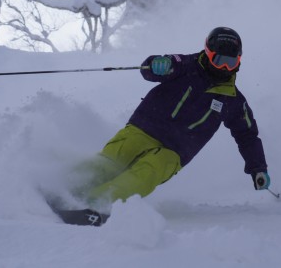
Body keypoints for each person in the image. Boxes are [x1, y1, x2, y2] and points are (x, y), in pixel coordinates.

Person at [69, 26, 270, 222]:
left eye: (231, 62)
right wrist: (157, 64)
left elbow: (247, 136)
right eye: (219, 61)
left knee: (145, 175)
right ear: (208, 53)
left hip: (176, 151)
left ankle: (99, 204)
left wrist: (257, 168)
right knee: (113, 159)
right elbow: (150, 69)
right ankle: (67, 187)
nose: (225, 68)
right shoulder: (185, 64)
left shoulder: (233, 100)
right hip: (144, 128)